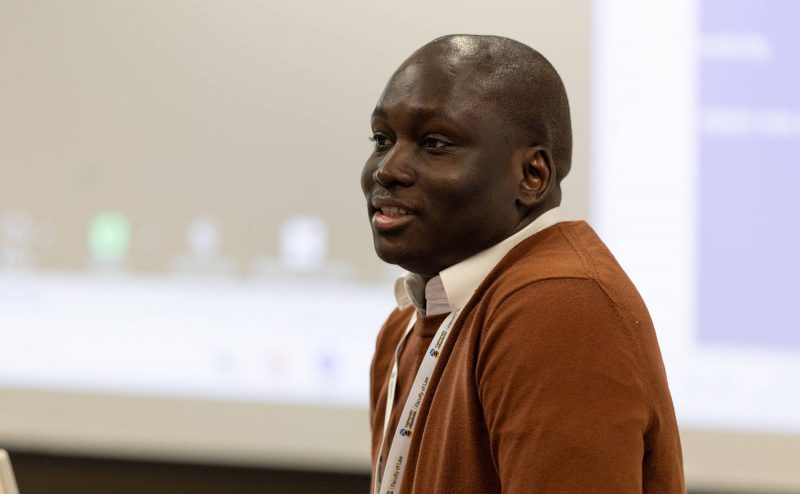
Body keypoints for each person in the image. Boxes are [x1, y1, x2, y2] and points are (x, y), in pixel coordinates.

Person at [360, 34, 685, 494]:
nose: (386, 169)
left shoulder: (561, 304)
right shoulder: (408, 324)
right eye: (381, 139)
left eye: (434, 143)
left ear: (532, 175)